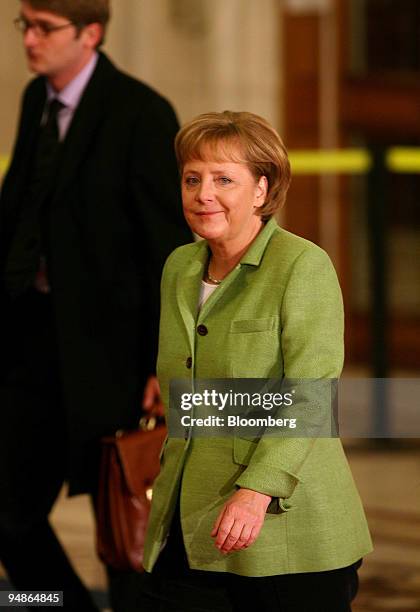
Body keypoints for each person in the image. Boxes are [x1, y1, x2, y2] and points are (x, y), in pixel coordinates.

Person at [138, 111, 373, 612]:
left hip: (285, 526)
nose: (204, 193)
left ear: (262, 191)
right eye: (192, 178)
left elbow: (310, 394)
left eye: (224, 179)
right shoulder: (179, 265)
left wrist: (254, 492)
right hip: (189, 512)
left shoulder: (301, 266)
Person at [0, 1, 190, 610]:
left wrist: (163, 365)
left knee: (125, 524)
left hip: (113, 359)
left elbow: (170, 251)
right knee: (9, 512)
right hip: (34, 349)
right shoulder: (37, 102)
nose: (29, 39)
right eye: (23, 25)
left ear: (91, 33)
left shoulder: (140, 113)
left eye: (44, 28)